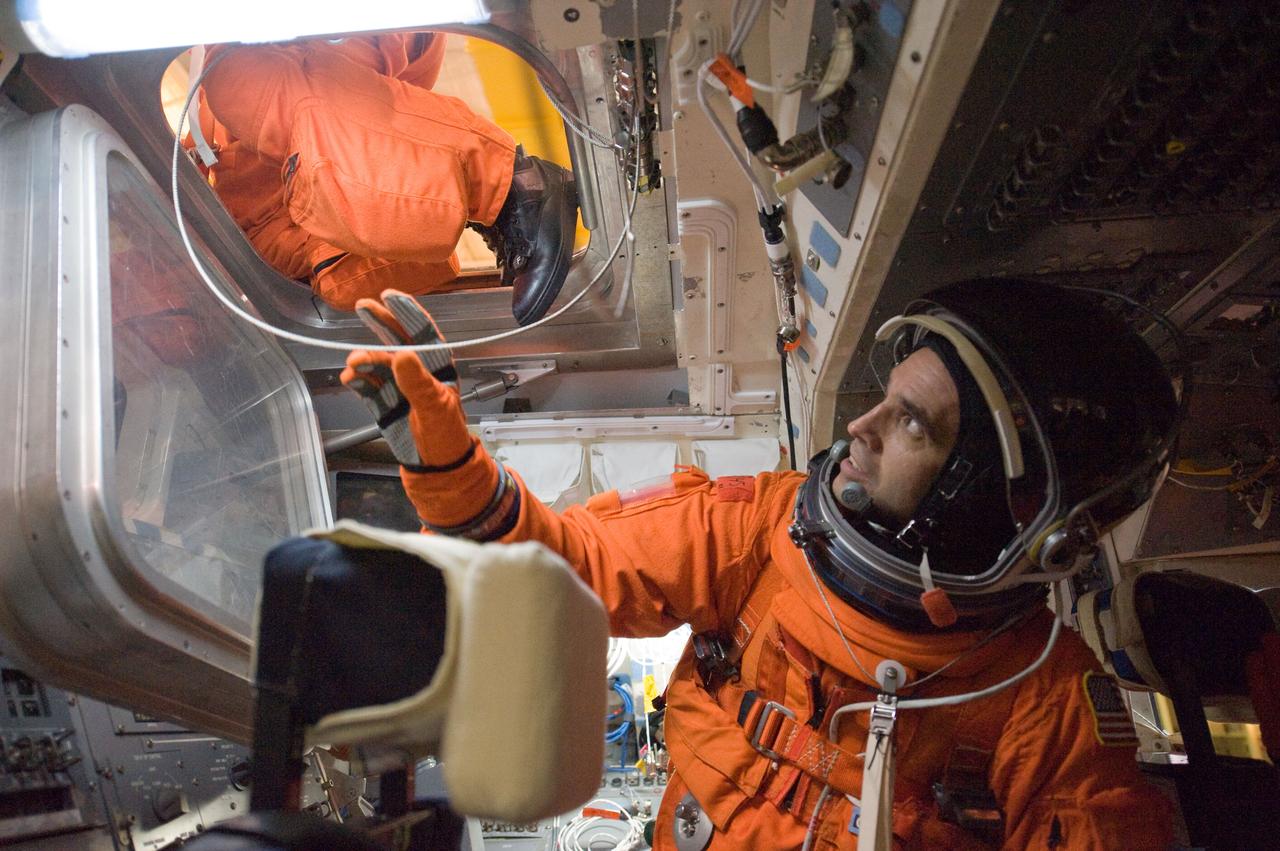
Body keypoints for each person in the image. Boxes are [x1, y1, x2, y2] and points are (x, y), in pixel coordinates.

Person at [340, 279, 1180, 849]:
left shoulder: (1048, 711)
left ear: (998, 497)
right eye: (882, 399)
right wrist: (455, 473)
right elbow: (568, 571)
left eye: (914, 425)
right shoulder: (764, 529)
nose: (861, 427)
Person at [189, 32, 578, 324]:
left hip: (310, 46)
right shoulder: (251, 250)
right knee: (339, 274)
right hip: (351, 72)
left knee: (231, 80)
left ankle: (508, 187)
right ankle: (490, 191)